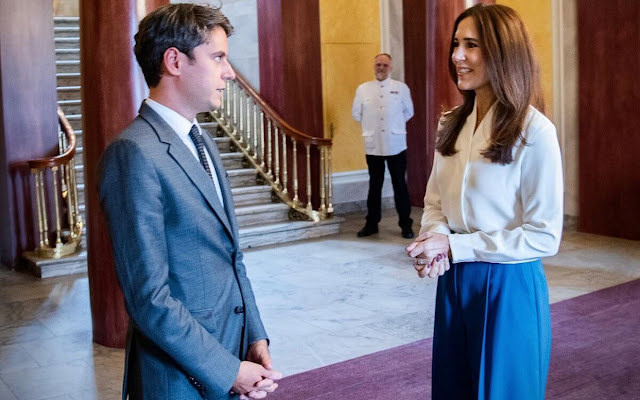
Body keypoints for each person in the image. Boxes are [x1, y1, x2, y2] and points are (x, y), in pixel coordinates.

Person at [98, 4, 281, 400]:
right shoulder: (133, 153)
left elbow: (231, 256)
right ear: (174, 61)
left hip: (229, 349)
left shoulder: (203, 141)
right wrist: (227, 369)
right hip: (177, 375)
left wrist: (254, 334)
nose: (229, 72)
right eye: (218, 57)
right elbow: (149, 298)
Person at [406, 4, 562, 399]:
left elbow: (545, 236)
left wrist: (455, 246)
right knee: (454, 386)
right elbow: (436, 201)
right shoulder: (450, 122)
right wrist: (435, 242)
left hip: (509, 285)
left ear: (502, 52)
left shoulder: (535, 131)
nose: (457, 56)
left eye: (471, 45)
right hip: (456, 281)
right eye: (456, 44)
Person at [352, 53, 415, 239]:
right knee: (375, 185)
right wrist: (374, 127)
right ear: (374, 67)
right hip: (373, 146)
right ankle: (371, 224)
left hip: (396, 144)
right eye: (378, 64)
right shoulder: (363, 89)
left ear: (390, 67)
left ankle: (406, 225)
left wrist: (392, 126)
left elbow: (408, 112)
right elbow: (357, 114)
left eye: (385, 65)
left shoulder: (401, 88)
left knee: (399, 185)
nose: (381, 68)